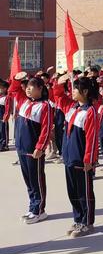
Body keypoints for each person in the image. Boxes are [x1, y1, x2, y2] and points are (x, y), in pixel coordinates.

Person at [53, 74, 99, 238]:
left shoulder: (91, 111)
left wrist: (89, 159)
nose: (72, 92)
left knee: (84, 192)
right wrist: (59, 83)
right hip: (69, 156)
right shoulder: (72, 108)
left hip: (81, 159)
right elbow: (57, 95)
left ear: (85, 91)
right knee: (72, 191)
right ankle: (78, 219)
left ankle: (87, 222)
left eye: (75, 89)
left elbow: (92, 138)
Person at [10, 72, 53, 224]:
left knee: (37, 180)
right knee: (28, 180)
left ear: (40, 88)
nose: (28, 90)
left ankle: (40, 210)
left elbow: (46, 129)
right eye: (27, 87)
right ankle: (32, 206)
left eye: (32, 87)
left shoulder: (45, 106)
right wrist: (17, 79)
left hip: (34, 150)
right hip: (22, 148)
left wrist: (40, 147)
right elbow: (13, 91)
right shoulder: (24, 101)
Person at [0, 79, 10, 151]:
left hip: (3, 116)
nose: (0, 89)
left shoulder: (7, 97)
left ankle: (5, 145)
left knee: (4, 130)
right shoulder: (0, 96)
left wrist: (6, 117)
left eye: (1, 88)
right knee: (0, 130)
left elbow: (8, 108)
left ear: (5, 89)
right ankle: (1, 144)